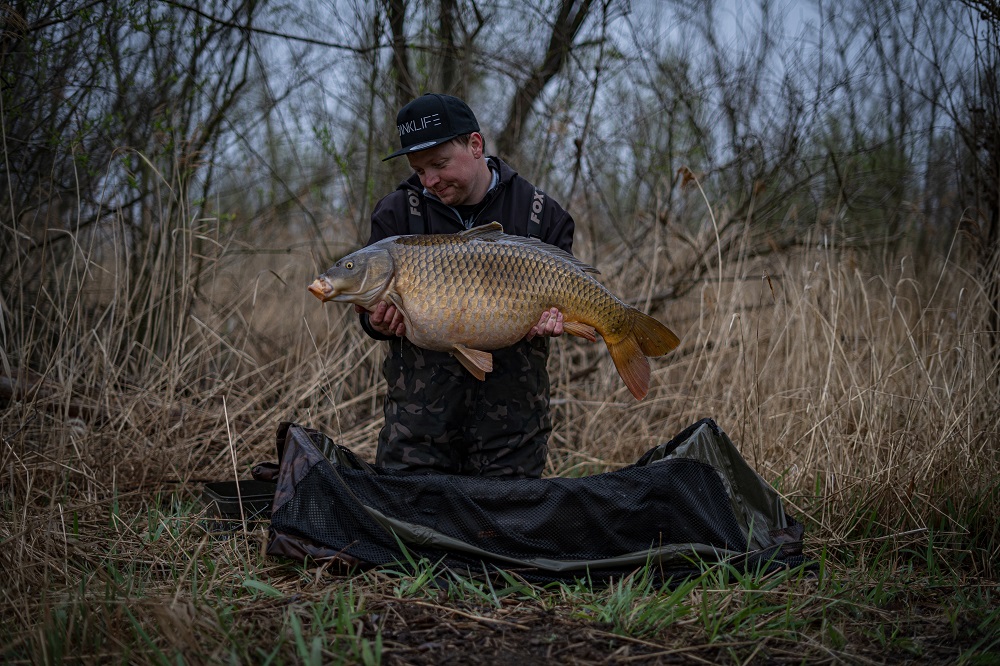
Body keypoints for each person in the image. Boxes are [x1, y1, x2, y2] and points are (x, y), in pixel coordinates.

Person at [356, 92, 577, 478]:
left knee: (504, 529)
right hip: (418, 427)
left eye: (439, 164)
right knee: (412, 529)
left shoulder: (541, 214)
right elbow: (367, 308)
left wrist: (555, 321)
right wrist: (374, 324)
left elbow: (565, 305)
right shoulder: (395, 214)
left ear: (475, 145)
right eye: (419, 169)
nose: (430, 181)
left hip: (512, 426)